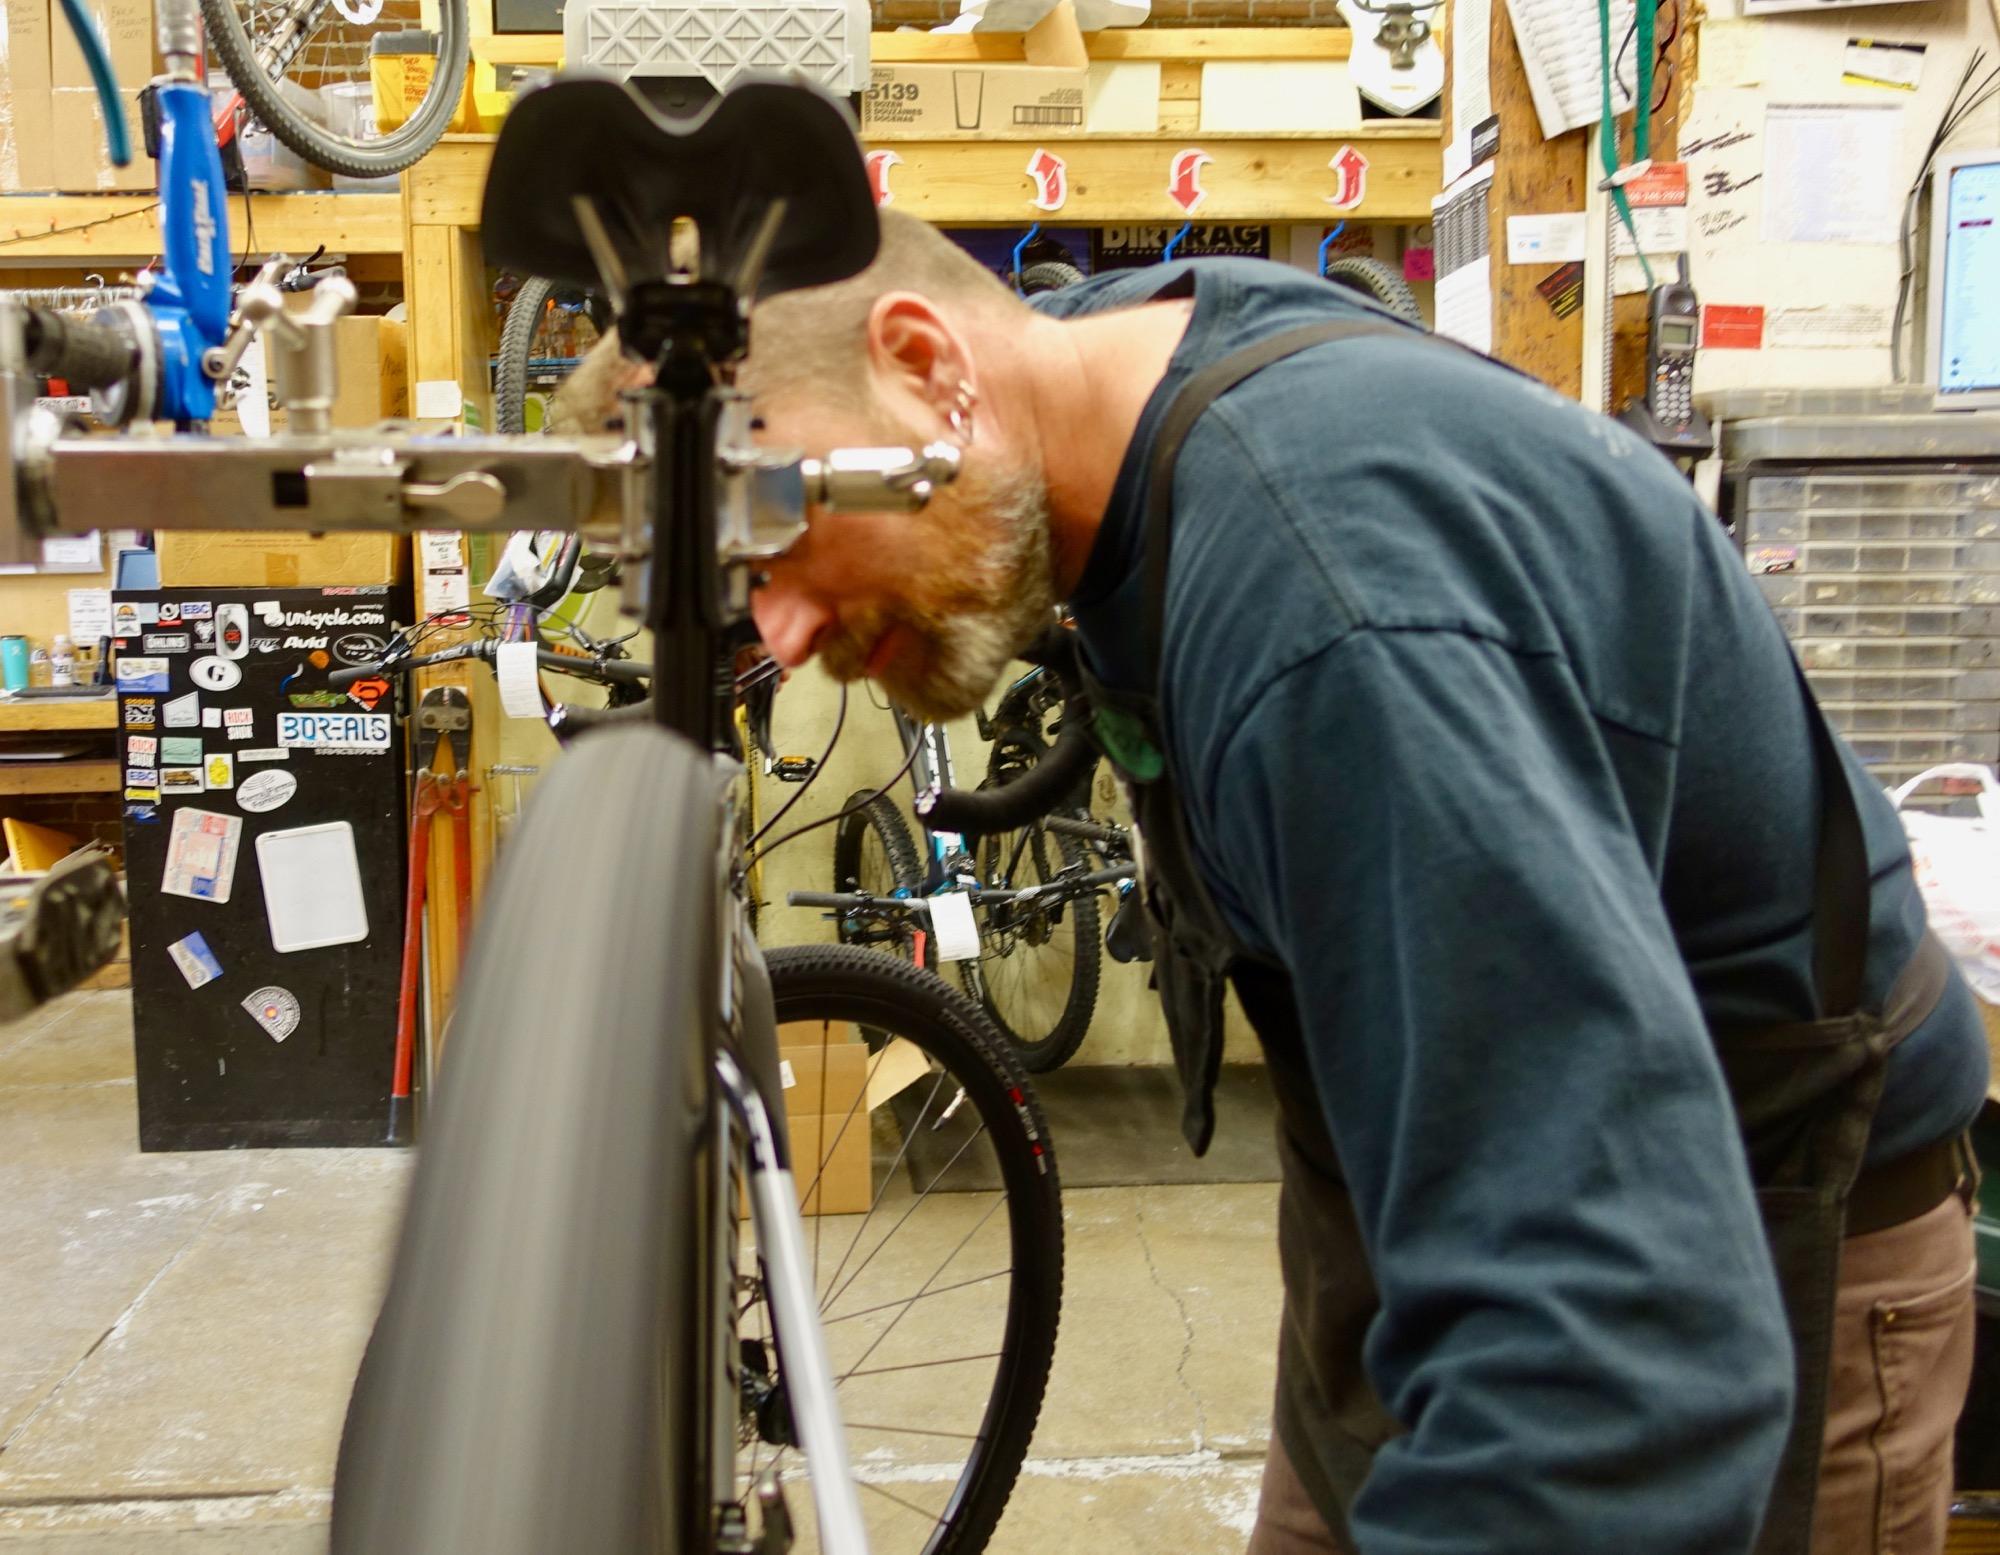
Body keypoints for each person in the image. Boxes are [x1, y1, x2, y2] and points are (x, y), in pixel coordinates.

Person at [556, 211, 1988, 1555]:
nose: (783, 633)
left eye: (784, 529)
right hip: (1425, 1223)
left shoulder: (1335, 621)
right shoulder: (1102, 371)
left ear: (931, 365)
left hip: (1738, 1238)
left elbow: (1612, 1354)